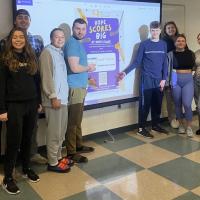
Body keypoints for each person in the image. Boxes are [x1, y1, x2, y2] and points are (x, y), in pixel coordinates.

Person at [0, 9, 46, 164]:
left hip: (31, 96)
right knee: (13, 134)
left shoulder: (37, 41)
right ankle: (11, 166)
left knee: (30, 131)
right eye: (20, 18)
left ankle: (30, 156)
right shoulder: (5, 42)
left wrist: (39, 98)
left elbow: (37, 72)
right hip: (13, 99)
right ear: (15, 21)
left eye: (26, 18)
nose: (23, 20)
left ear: (30, 21)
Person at [0, 27, 40, 195]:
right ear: (11, 40)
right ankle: (8, 177)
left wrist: (38, 101)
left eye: (21, 37)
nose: (18, 39)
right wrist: (2, 109)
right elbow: (0, 87)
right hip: (14, 106)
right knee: (13, 141)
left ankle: (26, 168)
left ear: (25, 39)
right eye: (15, 37)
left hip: (31, 104)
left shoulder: (31, 56)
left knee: (27, 138)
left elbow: (37, 81)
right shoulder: (4, 59)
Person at [118, 21, 168, 138]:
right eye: (152, 30)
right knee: (144, 105)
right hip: (146, 80)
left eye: (157, 30)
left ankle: (155, 125)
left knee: (157, 104)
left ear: (160, 31)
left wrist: (164, 79)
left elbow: (165, 62)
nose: (154, 32)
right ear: (150, 31)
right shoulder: (144, 44)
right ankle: (141, 128)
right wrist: (125, 72)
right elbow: (137, 62)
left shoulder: (163, 44)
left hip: (159, 80)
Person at [39, 28, 73, 173]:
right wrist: (53, 96)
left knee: (61, 132)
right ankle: (52, 162)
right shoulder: (47, 52)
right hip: (54, 100)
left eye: (62, 37)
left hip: (63, 99)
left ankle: (58, 158)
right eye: (56, 37)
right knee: (54, 133)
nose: (60, 39)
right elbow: (46, 77)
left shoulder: (59, 53)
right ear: (51, 38)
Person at [64, 18, 96, 163]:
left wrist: (88, 77)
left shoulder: (77, 43)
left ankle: (78, 145)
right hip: (75, 88)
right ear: (72, 28)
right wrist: (89, 67)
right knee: (72, 122)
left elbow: (78, 67)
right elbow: (74, 68)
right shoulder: (72, 44)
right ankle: (71, 152)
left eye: (83, 29)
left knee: (77, 120)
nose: (80, 31)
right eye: (78, 28)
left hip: (81, 87)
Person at [168, 34, 195, 137]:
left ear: (185, 42)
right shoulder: (170, 54)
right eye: (178, 41)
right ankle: (181, 125)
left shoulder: (191, 53)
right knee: (177, 104)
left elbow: (195, 66)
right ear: (175, 43)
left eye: (183, 41)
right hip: (175, 78)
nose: (180, 42)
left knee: (187, 104)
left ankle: (189, 127)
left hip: (188, 78)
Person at [162, 21, 180, 128]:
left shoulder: (180, 39)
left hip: (180, 72)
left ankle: (179, 117)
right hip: (169, 72)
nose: (171, 29)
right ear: (165, 30)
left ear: (175, 28)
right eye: (168, 28)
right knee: (170, 97)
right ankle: (172, 118)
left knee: (179, 96)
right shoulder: (163, 41)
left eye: (172, 27)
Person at [194, 33, 200, 135]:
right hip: (196, 81)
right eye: (199, 39)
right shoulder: (196, 53)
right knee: (197, 104)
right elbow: (193, 67)